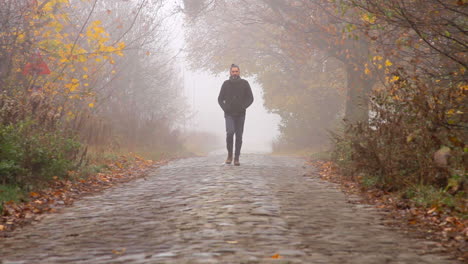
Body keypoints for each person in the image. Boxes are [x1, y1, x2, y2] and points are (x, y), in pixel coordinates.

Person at [218, 64, 254, 166]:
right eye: (233, 71)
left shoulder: (245, 83)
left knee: (239, 136)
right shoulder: (226, 84)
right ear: (230, 72)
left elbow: (250, 98)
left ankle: (236, 158)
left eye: (236, 71)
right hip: (229, 114)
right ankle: (230, 155)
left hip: (241, 114)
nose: (234, 73)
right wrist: (225, 108)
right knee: (230, 132)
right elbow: (220, 99)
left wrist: (243, 106)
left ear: (239, 72)